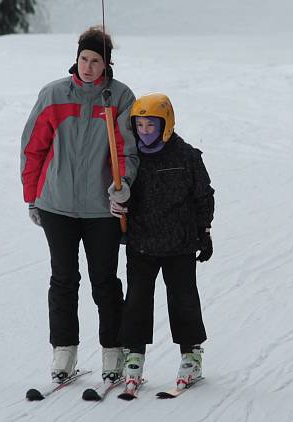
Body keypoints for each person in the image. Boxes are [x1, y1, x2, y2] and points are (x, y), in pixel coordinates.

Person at [20, 26, 139, 384]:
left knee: (104, 281)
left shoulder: (118, 97)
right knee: (63, 279)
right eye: (84, 59)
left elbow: (127, 151)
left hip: (101, 209)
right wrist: (32, 196)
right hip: (56, 204)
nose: (88, 67)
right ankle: (64, 351)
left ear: (107, 64)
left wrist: (125, 187)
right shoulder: (54, 95)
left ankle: (112, 351)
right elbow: (33, 148)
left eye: (96, 61)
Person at [108, 93, 215, 394]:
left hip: (179, 243)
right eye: (139, 125)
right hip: (141, 242)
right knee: (137, 301)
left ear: (166, 125)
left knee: (183, 299)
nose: (144, 131)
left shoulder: (187, 156)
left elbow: (203, 196)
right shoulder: (131, 158)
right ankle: (134, 357)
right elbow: (120, 191)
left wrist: (204, 231)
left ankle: (191, 355)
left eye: (150, 125)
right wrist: (117, 206)